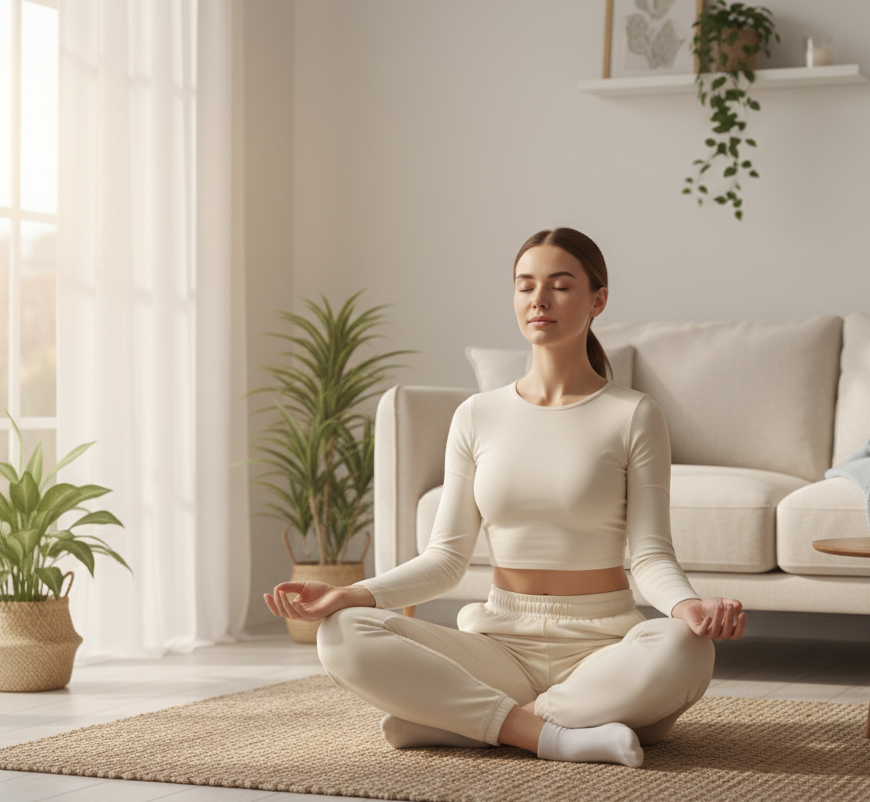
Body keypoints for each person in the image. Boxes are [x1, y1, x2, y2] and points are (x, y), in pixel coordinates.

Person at [265, 227, 746, 768]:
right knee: (343, 634)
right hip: (499, 645)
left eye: (560, 286)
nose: (538, 299)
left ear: (598, 300)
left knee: (687, 649)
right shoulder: (476, 415)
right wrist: (350, 594)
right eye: (525, 286)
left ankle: (466, 721)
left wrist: (689, 607)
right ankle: (555, 734)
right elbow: (445, 561)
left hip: (602, 647)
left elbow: (651, 555)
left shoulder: (633, 414)